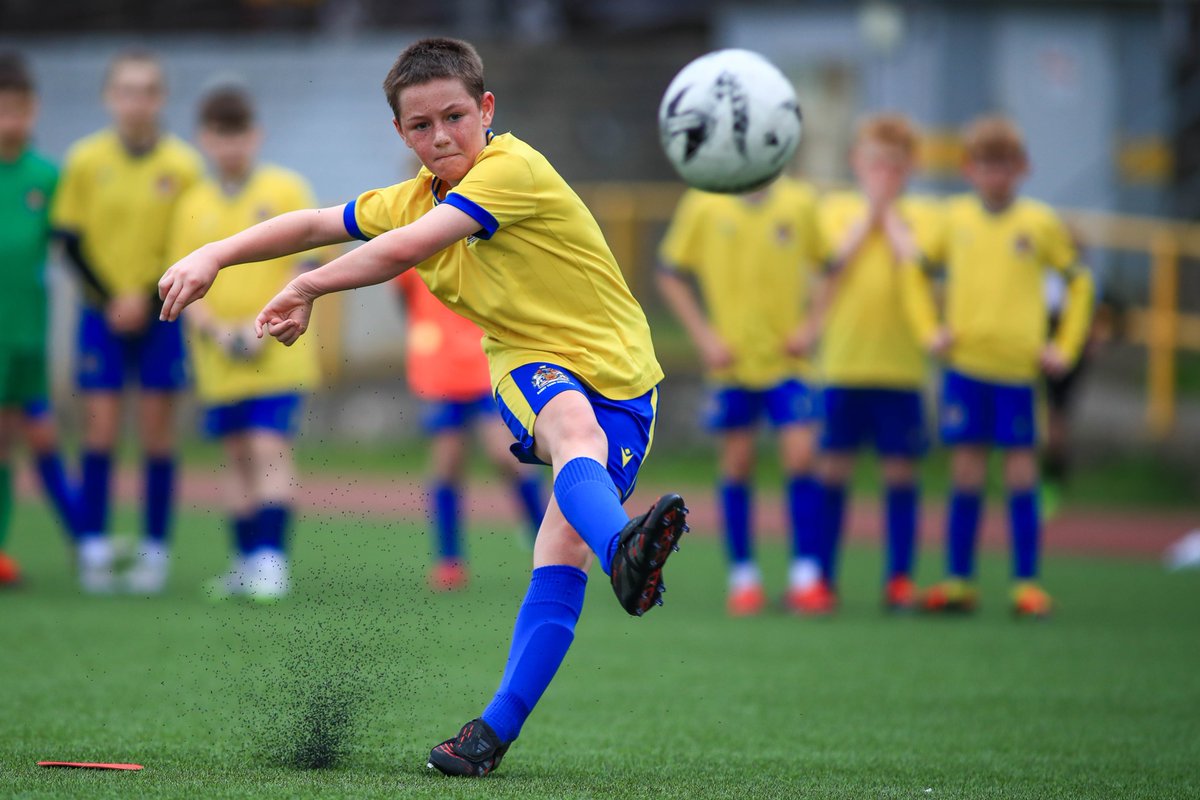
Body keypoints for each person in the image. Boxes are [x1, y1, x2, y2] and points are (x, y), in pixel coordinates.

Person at [157, 37, 687, 776]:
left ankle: (490, 734)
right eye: (420, 126)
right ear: (399, 133)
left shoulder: (513, 168)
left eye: (455, 117)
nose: (441, 137)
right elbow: (313, 223)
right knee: (571, 433)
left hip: (627, 378)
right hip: (530, 365)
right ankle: (626, 548)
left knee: (560, 548)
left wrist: (308, 287)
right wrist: (212, 254)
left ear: (487, 110)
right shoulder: (410, 195)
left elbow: (406, 249)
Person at [904, 116, 1093, 618]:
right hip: (965, 367)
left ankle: (1025, 583)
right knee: (965, 471)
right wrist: (930, 331)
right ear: (968, 169)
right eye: (985, 166)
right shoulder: (954, 219)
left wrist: (1065, 347)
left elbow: (1080, 285)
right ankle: (958, 580)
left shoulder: (1039, 224)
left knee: (1021, 473)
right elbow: (915, 274)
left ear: (1022, 169)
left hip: (1016, 371)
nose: (995, 176)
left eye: (1004, 166)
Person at [52, 50, 203, 593]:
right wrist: (112, 297)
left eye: (146, 91)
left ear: (160, 99)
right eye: (126, 90)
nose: (136, 101)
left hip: (162, 311)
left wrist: (144, 295)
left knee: (159, 433)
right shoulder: (86, 160)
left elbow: (190, 242)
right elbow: (69, 240)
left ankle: (154, 552)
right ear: (109, 97)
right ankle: (93, 546)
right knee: (101, 427)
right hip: (101, 314)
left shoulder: (182, 166)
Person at [168, 83, 321, 601]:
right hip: (218, 357)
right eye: (219, 135)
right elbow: (183, 277)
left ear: (256, 135)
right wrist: (216, 329)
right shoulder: (192, 202)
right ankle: (244, 559)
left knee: (267, 448)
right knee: (234, 455)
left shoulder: (286, 189)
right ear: (203, 139)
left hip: (276, 350)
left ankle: (272, 562)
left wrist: (264, 323)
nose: (231, 146)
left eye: (239, 135)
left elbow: (307, 261)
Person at [657, 177, 824, 616]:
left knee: (801, 457)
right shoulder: (704, 203)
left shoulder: (800, 202)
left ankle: (807, 576)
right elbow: (670, 273)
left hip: (788, 363)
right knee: (737, 463)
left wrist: (810, 329)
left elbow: (833, 268)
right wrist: (705, 337)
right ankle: (743, 576)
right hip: (731, 365)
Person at [803, 113, 940, 614]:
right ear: (856, 164)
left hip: (901, 370)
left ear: (909, 170)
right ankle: (822, 578)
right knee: (833, 471)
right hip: (843, 366)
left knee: (900, 475)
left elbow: (917, 263)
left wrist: (890, 214)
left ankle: (899, 578)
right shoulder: (837, 209)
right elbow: (835, 261)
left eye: (894, 166)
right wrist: (872, 213)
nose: (883, 175)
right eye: (874, 163)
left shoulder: (924, 215)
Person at [393, 269, 545, 591]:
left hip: (486, 363)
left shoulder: (479, 230)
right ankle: (449, 560)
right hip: (438, 368)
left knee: (505, 455)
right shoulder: (414, 237)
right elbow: (404, 294)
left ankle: (544, 535)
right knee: (447, 463)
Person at [0, 52, 73, 585]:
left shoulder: (47, 177)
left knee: (36, 437)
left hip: (28, 334)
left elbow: (75, 247)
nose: (11, 120)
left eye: (19, 109)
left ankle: (86, 542)